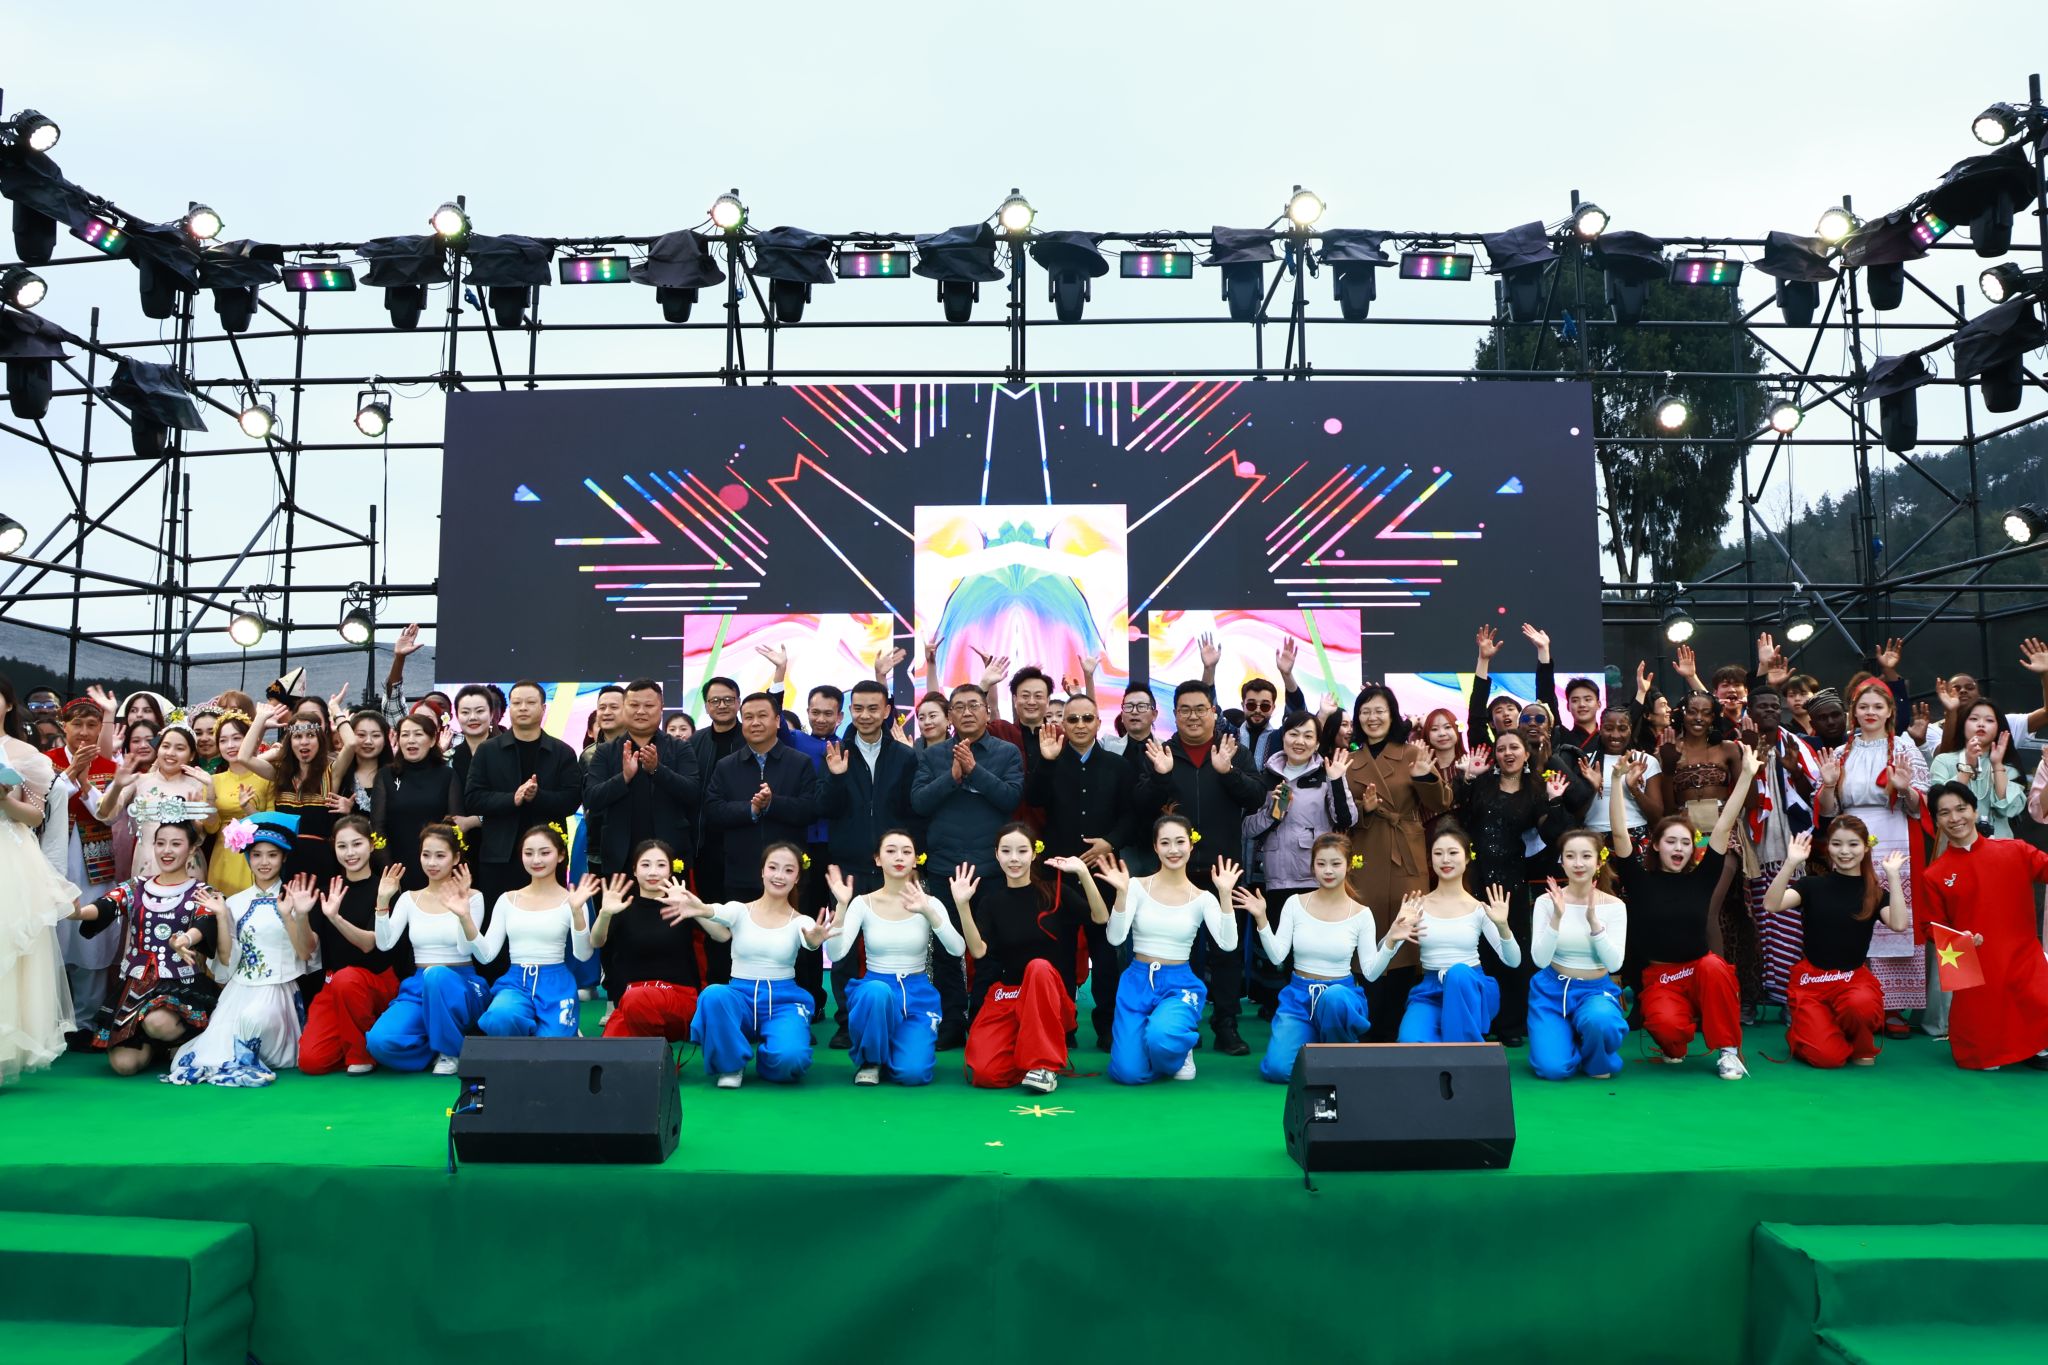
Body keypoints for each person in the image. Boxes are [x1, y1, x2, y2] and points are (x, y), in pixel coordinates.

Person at [1609, 747, 1762, 1080]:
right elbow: (1620, 834)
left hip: (1700, 972)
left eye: (1685, 842)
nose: (1678, 848)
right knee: (1669, 1032)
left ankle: (1728, 1051)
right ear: (1656, 845)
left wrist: (1747, 776)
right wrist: (1617, 781)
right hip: (1660, 977)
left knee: (1714, 966)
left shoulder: (1702, 878)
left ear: (1693, 848)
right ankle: (1673, 1043)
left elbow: (1723, 826)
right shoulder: (1639, 880)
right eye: (1671, 842)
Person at [1133, 680, 1264, 1056]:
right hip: (1177, 874)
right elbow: (1140, 805)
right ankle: (1181, 1021)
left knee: (1226, 951)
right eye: (1185, 710)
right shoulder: (1160, 752)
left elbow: (1257, 797)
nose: (1192, 716)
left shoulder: (1232, 750)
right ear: (1174, 714)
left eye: (1200, 709)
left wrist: (1228, 772)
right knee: (1181, 953)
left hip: (1225, 872)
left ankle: (1226, 1024)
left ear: (1213, 712)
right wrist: (1161, 776)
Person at [911, 682, 1024, 1047]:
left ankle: (983, 1016)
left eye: (974, 705)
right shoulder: (933, 755)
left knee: (989, 948)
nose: (967, 712)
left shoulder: (1006, 752)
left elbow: (1010, 798)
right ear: (950, 716)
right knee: (946, 947)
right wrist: (953, 777)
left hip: (990, 868)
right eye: (958, 707)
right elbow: (919, 803)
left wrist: (974, 770)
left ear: (987, 711)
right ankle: (952, 1019)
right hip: (945, 865)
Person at [166, 816, 318, 1087]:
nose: (264, 862)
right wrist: (222, 916)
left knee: (253, 1021)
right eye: (257, 854)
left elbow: (306, 954)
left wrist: (295, 915)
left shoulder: (295, 898)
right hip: (238, 992)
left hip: (277, 990)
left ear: (284, 858)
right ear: (247, 858)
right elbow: (227, 960)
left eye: (272, 855)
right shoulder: (234, 902)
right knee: (206, 1054)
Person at [1022, 693, 1137, 1049]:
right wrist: (1046, 762)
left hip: (1104, 872)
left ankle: (1107, 1027)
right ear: (1063, 723)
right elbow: (1033, 799)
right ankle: (1063, 1026)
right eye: (1072, 719)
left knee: (1106, 952)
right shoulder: (1051, 760)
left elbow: (1131, 815)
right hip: (1059, 875)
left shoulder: (1118, 767)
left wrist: (1110, 843)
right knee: (1059, 953)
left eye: (1087, 718)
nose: (1080, 725)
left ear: (1099, 722)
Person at [956, 831, 1109, 1093]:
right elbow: (978, 951)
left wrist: (1083, 873)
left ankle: (1044, 1065)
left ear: (1034, 854)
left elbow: (1100, 916)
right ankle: (1027, 1056)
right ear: (996, 855)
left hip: (1050, 996)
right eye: (1006, 851)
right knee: (985, 1072)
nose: (1014, 858)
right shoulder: (991, 902)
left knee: (1037, 967)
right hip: (1010, 995)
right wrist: (962, 905)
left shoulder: (1055, 892)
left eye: (1022, 851)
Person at [1815, 676, 1927, 1033]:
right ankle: (1848, 995)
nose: (1870, 712)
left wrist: (1905, 789)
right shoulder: (1840, 753)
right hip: (1849, 840)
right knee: (1853, 912)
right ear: (1854, 711)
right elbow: (1828, 810)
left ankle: (1891, 1007)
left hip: (1895, 837)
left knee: (1892, 913)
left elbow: (1920, 807)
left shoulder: (1905, 749)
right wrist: (1828, 784)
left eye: (1878, 706)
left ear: (1890, 710)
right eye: (1863, 706)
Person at [1093, 817, 1242, 1084]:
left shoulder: (1203, 898)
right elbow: (1115, 938)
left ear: (1191, 846)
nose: (1173, 850)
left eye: (1180, 842)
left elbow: (1228, 944)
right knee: (1128, 1073)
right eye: (1165, 843)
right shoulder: (1135, 886)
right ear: (1155, 847)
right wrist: (1121, 894)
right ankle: (1160, 1042)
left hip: (1179, 984)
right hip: (1137, 981)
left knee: (1161, 1039)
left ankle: (1178, 1046)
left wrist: (1225, 894)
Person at [1916, 782, 2048, 1072]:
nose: (1955, 818)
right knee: (1978, 1056)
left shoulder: (2015, 849)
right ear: (1936, 820)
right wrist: (1956, 939)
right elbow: (1929, 926)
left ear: (1975, 811)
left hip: (2024, 958)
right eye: (1944, 813)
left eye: (1961, 809)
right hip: (1973, 965)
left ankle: (2035, 1045)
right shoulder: (1934, 874)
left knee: (2040, 997)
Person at [1341, 684, 1449, 1039]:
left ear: (1392, 715)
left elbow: (1441, 802)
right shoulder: (1349, 761)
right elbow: (1338, 814)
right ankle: (1369, 1023)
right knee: (1368, 932)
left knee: (1407, 932)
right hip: (1365, 853)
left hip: (1406, 854)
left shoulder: (1412, 753)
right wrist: (1364, 809)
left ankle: (1400, 1024)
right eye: (1365, 711)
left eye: (1379, 711)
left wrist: (1425, 777)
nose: (1372, 718)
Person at [817, 679, 921, 1046]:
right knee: (844, 948)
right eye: (858, 708)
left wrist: (908, 860)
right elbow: (823, 808)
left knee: (897, 943)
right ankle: (848, 1022)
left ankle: (900, 1013)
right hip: (848, 865)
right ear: (850, 711)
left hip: (893, 868)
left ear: (887, 710)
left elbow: (912, 811)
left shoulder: (905, 756)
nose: (865, 715)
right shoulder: (835, 752)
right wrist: (836, 778)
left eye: (873, 708)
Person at [1455, 727, 1574, 1046]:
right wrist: (1467, 779)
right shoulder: (1482, 784)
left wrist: (1555, 801)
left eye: (1514, 747)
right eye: (1502, 748)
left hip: (1513, 880)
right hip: (1476, 876)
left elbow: (1552, 835)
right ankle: (1481, 1022)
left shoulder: (1536, 790)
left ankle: (1511, 1024)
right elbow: (1462, 818)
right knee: (1479, 949)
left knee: (1513, 948)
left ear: (1526, 753)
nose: (1507, 753)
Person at [72, 821, 219, 1074]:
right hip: (135, 985)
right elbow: (106, 906)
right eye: (160, 843)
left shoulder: (201, 891)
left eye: (176, 844)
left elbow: (204, 923)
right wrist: (77, 913)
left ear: (192, 849)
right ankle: (158, 1048)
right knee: (124, 1066)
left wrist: (185, 939)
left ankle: (184, 1040)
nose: (167, 850)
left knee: (158, 1023)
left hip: (179, 984)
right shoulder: (136, 886)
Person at [1235, 833, 1382, 1083]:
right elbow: (1277, 956)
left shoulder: (1362, 913)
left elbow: (1370, 972)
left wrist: (1391, 942)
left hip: (1340, 995)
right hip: (1299, 997)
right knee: (1277, 1070)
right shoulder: (1295, 903)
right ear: (1312, 867)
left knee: (1334, 998)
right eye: (1321, 863)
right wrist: (1261, 918)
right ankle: (1314, 1040)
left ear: (1348, 865)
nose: (1328, 870)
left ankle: (1338, 1049)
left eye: (1335, 863)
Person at [688, 843, 837, 1087]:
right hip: (740, 997)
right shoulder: (739, 910)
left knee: (791, 1060)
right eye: (773, 868)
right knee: (713, 995)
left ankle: (769, 1056)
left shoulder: (801, 920)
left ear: (797, 878)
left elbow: (811, 940)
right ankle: (731, 1064)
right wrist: (697, 908)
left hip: (784, 1002)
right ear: (762, 871)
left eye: (788, 870)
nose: (779, 876)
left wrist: (814, 940)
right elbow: (714, 911)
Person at [824, 830, 966, 1086]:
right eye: (890, 851)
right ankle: (871, 1060)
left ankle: (893, 1046)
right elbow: (836, 954)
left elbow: (957, 949)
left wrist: (929, 913)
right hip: (875, 991)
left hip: (917, 993)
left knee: (913, 1074)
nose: (899, 857)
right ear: (878, 859)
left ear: (916, 860)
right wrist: (842, 906)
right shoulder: (862, 903)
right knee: (876, 991)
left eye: (906, 851)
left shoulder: (931, 902)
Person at [1760, 823, 1907, 1068]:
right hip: (1812, 983)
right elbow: (1771, 905)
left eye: (1853, 844)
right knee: (1827, 1058)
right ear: (1828, 847)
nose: (1844, 851)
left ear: (1866, 847)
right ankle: (1813, 1030)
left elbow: (1900, 924)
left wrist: (1893, 877)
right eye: (1837, 844)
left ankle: (1857, 1039)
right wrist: (1790, 863)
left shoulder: (1874, 892)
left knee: (1860, 1005)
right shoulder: (1811, 885)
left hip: (1853, 982)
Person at [1244, 710, 1357, 1021]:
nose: (1300, 741)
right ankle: (1282, 1009)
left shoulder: (1327, 773)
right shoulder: (1265, 775)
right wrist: (1272, 813)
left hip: (1315, 876)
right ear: (1283, 737)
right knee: (1279, 946)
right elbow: (1248, 828)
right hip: (1277, 875)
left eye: (1308, 735)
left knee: (1312, 944)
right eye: (1294, 733)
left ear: (1317, 742)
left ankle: (1317, 1006)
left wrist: (1336, 780)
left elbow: (1347, 819)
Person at [463, 680, 585, 945]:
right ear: (508, 709)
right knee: (497, 926)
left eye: (530, 703)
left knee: (548, 925)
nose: (523, 708)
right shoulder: (488, 750)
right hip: (499, 855)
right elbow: (473, 798)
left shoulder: (562, 752)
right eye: (517, 703)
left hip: (547, 856)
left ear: (543, 708)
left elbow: (572, 800)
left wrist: (538, 797)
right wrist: (512, 799)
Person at [364, 824, 490, 1074]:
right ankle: (435, 1047)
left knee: (437, 975)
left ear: (455, 858)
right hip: (419, 984)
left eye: (440, 855)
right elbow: (384, 943)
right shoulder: (409, 898)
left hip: (460, 983)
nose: (432, 863)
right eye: (426, 854)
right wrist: (382, 900)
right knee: (379, 1042)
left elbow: (469, 948)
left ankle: (450, 1051)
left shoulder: (473, 897)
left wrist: (462, 913)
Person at [1, 678, 77, 1087]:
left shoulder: (25, 754)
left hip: (10, 856)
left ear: (8, 704)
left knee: (10, 949)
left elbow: (34, 815)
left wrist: (4, 800)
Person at [1389, 826, 1522, 1042]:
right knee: (1410, 1043)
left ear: (1467, 857)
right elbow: (1382, 956)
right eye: (1438, 853)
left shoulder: (1479, 908)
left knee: (1458, 973)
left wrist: (1503, 926)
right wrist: (1392, 935)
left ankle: (1465, 1051)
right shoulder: (1416, 906)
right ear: (1431, 859)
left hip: (1469, 986)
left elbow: (1513, 961)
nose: (1445, 860)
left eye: (1453, 852)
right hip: (1431, 990)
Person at [298, 816, 409, 1075]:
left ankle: (364, 1052)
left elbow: (369, 943)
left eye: (356, 844)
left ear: (371, 845)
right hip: (334, 984)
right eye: (342, 846)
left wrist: (335, 918)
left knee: (347, 979)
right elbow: (306, 950)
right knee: (311, 1062)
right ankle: (357, 1035)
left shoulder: (386, 889)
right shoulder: (327, 892)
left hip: (377, 982)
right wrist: (300, 916)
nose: (350, 853)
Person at [472, 826, 598, 1038]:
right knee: (499, 1017)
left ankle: (560, 1030)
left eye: (545, 852)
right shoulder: (507, 899)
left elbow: (583, 955)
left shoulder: (573, 900)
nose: (536, 860)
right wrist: (464, 918)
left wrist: (577, 912)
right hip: (515, 982)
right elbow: (486, 956)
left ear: (561, 855)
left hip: (556, 981)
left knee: (553, 1046)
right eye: (528, 853)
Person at [1738, 687, 1820, 1010]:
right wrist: (1752, 759)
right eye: (1763, 706)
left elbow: (1814, 791)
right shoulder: (1738, 744)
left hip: (1790, 848)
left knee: (1789, 923)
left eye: (1775, 706)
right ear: (1751, 711)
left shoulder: (1795, 744)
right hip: (1754, 848)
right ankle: (1758, 992)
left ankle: (1788, 994)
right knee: (1758, 921)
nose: (1771, 711)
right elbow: (1740, 797)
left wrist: (1794, 770)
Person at [1526, 827, 1629, 1081]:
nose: (1578, 863)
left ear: (1599, 861)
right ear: (1561, 861)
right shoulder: (1547, 902)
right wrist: (1557, 917)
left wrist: (1594, 923)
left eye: (1586, 856)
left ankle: (1593, 1052)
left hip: (1594, 991)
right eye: (1570, 856)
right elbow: (1540, 960)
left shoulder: (1614, 906)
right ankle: (1565, 1036)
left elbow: (1614, 964)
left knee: (1601, 1021)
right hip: (1552, 991)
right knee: (1552, 1069)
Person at [584, 678, 702, 899]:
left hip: (670, 858)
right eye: (634, 705)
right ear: (625, 708)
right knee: (620, 918)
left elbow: (693, 793)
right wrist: (624, 777)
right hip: (620, 859)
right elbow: (591, 798)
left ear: (661, 708)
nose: (641, 711)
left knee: (671, 918)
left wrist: (658, 770)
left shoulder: (680, 748)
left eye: (648, 705)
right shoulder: (606, 752)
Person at [43, 696, 121, 1028]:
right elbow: (40, 808)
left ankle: (86, 1022)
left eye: (92, 725)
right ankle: (50, 1020)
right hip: (52, 859)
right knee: (53, 935)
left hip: (96, 862)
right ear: (64, 726)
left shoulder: (110, 766)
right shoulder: (45, 761)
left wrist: (85, 782)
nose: (85, 732)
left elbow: (110, 816)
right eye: (77, 724)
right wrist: (69, 774)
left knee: (92, 940)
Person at [592, 841, 703, 1042]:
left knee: (636, 999)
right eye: (645, 865)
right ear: (634, 870)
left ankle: (655, 1050)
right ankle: (655, 1051)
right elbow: (596, 941)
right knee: (609, 1048)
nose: (653, 872)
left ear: (670, 870)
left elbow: (722, 935)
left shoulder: (682, 905)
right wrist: (605, 913)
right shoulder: (621, 907)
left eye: (661, 865)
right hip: (631, 1003)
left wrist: (696, 909)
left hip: (677, 999)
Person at [236, 703, 341, 888]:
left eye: (310, 736)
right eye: (297, 736)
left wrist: (336, 711)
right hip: (287, 860)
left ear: (320, 740)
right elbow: (244, 758)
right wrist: (260, 719)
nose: (304, 742)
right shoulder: (281, 774)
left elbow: (352, 745)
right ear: (290, 743)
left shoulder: (330, 772)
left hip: (322, 860)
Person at [95, 722, 214, 879]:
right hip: (147, 864)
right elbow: (106, 814)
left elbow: (206, 832)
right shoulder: (139, 781)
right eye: (165, 746)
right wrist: (117, 786)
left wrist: (195, 822)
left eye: (179, 748)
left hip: (187, 867)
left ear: (191, 755)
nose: (170, 753)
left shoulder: (199, 784)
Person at [372, 713, 464, 891]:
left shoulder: (447, 775)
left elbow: (456, 826)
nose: (411, 740)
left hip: (438, 866)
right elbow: (377, 827)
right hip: (396, 867)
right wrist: (390, 872)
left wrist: (447, 869)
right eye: (405, 735)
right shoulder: (386, 775)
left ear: (432, 740)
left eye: (418, 734)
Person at [204, 711, 274, 895]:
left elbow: (272, 823)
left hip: (260, 855)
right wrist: (209, 793)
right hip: (225, 856)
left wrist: (248, 808)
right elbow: (211, 828)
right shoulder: (213, 781)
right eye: (223, 740)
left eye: (236, 738)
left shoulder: (265, 776)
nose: (230, 745)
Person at [333, 710, 391, 817]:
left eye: (376, 735)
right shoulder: (340, 775)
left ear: (385, 740)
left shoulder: (397, 776)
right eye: (361, 735)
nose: (368, 741)